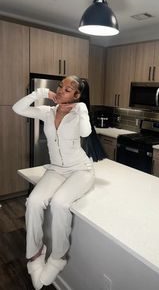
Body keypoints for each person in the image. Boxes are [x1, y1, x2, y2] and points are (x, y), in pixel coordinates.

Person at [12, 75, 97, 290]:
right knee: (33, 201)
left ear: (77, 96)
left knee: (60, 203)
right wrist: (41, 93)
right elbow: (17, 108)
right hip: (57, 170)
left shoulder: (79, 113)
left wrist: (83, 109)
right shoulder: (47, 113)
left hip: (80, 170)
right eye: (60, 86)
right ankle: (34, 255)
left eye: (68, 89)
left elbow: (86, 132)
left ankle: (58, 257)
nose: (60, 91)